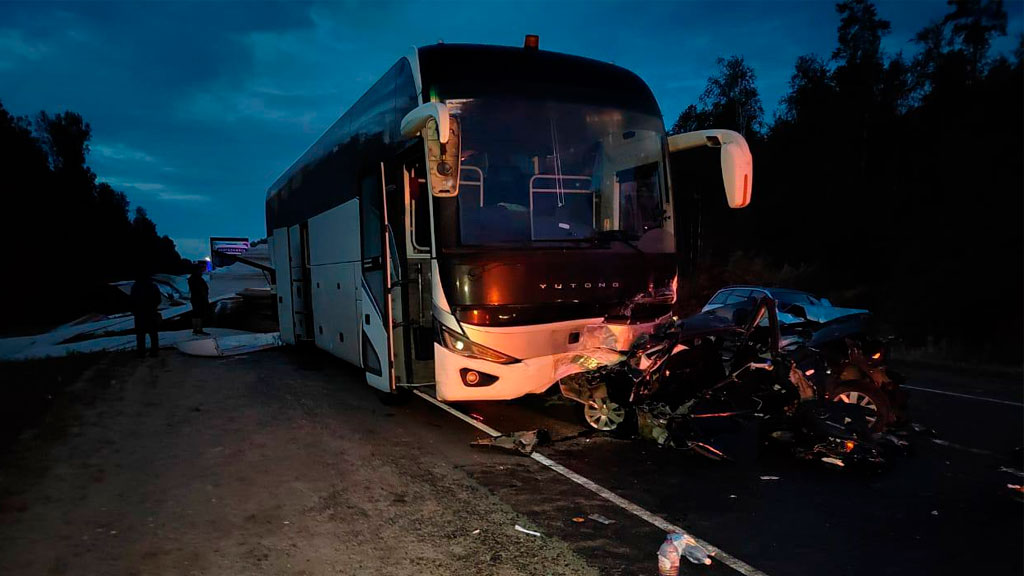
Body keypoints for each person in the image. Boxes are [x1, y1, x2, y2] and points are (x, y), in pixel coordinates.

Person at [130, 272, 162, 357]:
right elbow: (158, 299)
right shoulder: (153, 286)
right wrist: (154, 306)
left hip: (139, 313)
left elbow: (132, 300)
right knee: (153, 333)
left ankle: (141, 352)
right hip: (151, 312)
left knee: (140, 334)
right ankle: (154, 351)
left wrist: (134, 310)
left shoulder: (135, 287)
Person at [188, 264, 211, 336]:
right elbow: (201, 289)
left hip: (195, 298)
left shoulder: (192, 279)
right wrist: (205, 297)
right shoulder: (197, 279)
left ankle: (196, 329)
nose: (201, 271)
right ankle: (199, 329)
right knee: (199, 314)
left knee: (196, 314)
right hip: (199, 298)